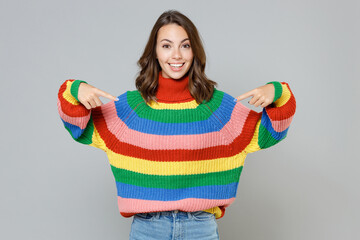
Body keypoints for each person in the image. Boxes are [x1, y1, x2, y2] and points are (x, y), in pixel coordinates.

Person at [57, 9, 296, 240]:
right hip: (148, 228)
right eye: (166, 46)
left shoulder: (218, 109)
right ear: (155, 52)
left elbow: (272, 132)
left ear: (195, 51)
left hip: (200, 228)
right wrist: (74, 89)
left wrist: (278, 92)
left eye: (185, 45)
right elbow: (78, 126)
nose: (177, 55)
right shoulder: (130, 110)